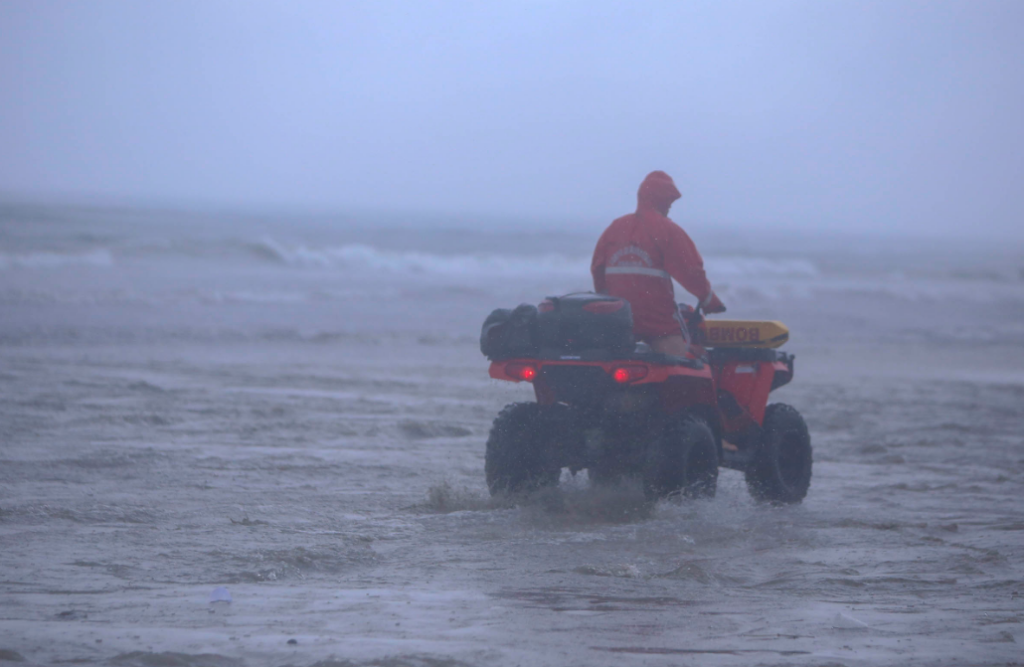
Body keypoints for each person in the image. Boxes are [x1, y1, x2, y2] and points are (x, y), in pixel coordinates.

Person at [591, 170, 726, 357]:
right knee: (680, 364)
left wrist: (605, 301)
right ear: (661, 200)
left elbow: (597, 269)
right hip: (657, 319)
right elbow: (691, 270)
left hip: (619, 318)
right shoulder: (667, 230)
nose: (670, 207)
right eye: (668, 202)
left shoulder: (614, 229)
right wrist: (709, 300)